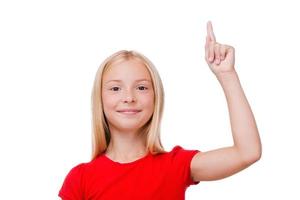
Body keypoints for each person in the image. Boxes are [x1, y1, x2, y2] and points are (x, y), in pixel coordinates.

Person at [58, 21, 262, 200]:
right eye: (115, 88)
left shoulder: (175, 166)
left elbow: (248, 152)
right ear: (99, 100)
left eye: (141, 87)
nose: (129, 97)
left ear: (156, 99)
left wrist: (227, 74)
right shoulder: (80, 179)